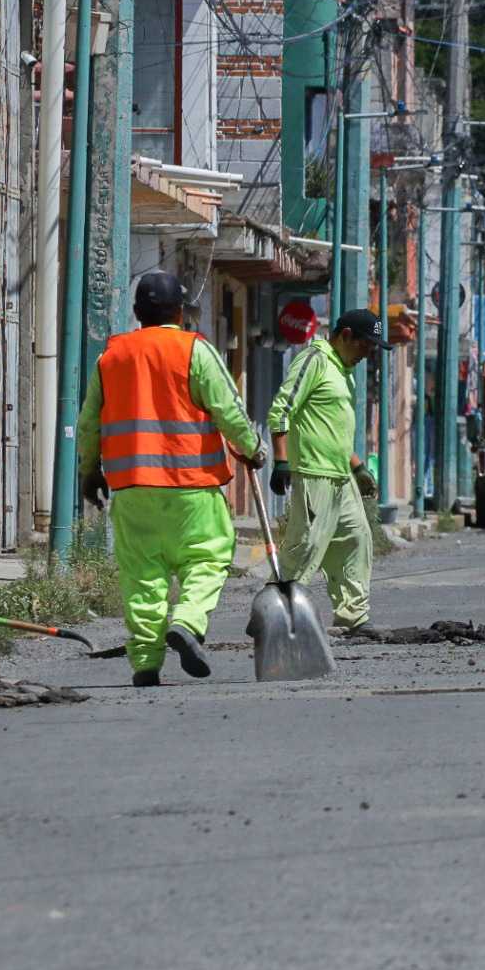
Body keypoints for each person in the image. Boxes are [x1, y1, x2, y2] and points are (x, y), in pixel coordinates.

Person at [77, 271, 267, 687]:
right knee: (208, 559)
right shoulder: (195, 351)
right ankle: (187, 621)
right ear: (181, 312)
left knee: (142, 574)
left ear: (137, 313)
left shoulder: (111, 357)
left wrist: (88, 471)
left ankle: (145, 662)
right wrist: (253, 449)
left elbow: (89, 421)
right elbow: (228, 410)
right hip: (192, 487)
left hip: (132, 488)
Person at [267, 308, 393, 634]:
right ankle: (271, 613)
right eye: (366, 345)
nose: (368, 354)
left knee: (356, 539)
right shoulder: (314, 360)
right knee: (305, 546)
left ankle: (353, 616)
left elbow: (333, 431)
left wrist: (359, 467)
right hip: (313, 473)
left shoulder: (343, 371)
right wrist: (281, 461)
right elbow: (281, 410)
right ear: (345, 335)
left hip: (340, 474)